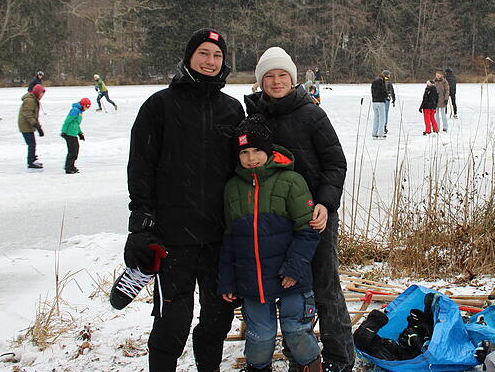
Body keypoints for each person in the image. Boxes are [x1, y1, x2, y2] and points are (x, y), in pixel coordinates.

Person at [125, 28, 244, 372]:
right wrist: (141, 224)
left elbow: (246, 168)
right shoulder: (160, 106)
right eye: (204, 53)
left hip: (219, 238)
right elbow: (141, 167)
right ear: (190, 57)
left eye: (217, 55)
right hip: (173, 237)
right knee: (172, 321)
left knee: (218, 317)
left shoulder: (232, 109)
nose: (210, 62)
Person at [244, 46, 353, 371]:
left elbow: (336, 163)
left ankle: (339, 358)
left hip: (315, 217)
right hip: (275, 221)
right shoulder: (254, 117)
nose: (276, 82)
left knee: (324, 287)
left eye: (282, 76)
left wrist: (324, 203)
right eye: (269, 76)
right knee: (287, 289)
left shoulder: (312, 113)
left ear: (292, 79)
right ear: (260, 81)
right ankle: (299, 357)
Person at [219, 115, 322, 372]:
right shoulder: (232, 188)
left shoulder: (291, 181)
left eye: (256, 151)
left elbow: (307, 230)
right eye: (244, 152)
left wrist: (294, 267)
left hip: (290, 277)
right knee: (260, 336)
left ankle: (310, 365)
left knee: (296, 331)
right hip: (252, 281)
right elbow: (230, 239)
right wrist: (228, 280)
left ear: (268, 151)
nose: (251, 158)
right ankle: (257, 368)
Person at [18, 84, 45, 169]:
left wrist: (38, 127)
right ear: (37, 92)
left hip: (28, 125)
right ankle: (31, 162)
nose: (42, 96)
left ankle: (32, 158)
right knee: (31, 144)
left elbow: (34, 116)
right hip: (25, 125)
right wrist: (36, 125)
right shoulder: (30, 101)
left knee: (32, 143)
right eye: (41, 93)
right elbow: (28, 114)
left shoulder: (34, 100)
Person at [60, 98, 91, 174]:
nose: (87, 109)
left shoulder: (80, 111)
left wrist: (80, 133)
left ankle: (71, 166)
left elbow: (76, 124)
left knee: (75, 150)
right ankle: (68, 167)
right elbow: (67, 121)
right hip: (68, 133)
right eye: (87, 107)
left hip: (73, 133)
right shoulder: (75, 110)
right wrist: (63, 131)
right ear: (83, 105)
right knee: (72, 151)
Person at [370, 71, 388, 139]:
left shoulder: (374, 82)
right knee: (382, 118)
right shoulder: (381, 82)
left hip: (374, 102)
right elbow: (383, 91)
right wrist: (386, 96)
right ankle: (380, 133)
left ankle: (374, 133)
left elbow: (372, 92)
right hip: (380, 102)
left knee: (376, 118)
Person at [382, 70, 395, 134]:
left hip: (381, 99)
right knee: (385, 113)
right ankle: (384, 126)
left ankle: (381, 126)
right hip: (386, 99)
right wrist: (394, 98)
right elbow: (392, 90)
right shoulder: (388, 81)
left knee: (381, 114)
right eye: (389, 74)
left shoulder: (381, 80)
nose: (390, 75)